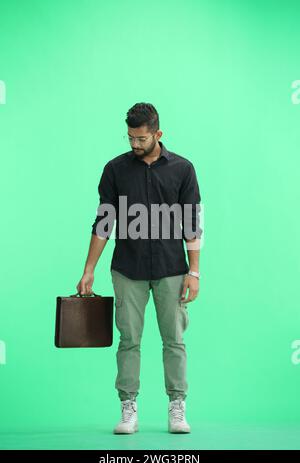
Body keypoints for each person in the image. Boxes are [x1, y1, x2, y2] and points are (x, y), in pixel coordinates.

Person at [76, 102, 202, 434]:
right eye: (130, 137)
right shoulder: (115, 169)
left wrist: (195, 271)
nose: (134, 144)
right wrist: (89, 269)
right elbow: (104, 222)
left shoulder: (183, 170)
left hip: (171, 268)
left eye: (141, 138)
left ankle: (177, 406)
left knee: (173, 339)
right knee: (129, 339)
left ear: (157, 134)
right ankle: (128, 407)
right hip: (127, 269)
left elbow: (192, 222)